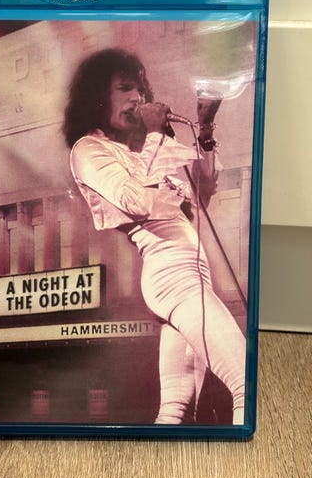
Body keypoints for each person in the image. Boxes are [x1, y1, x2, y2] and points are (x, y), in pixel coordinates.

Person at [63, 48, 246, 425]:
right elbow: (136, 201)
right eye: (124, 88)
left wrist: (205, 131)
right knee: (244, 377)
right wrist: (154, 135)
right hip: (171, 275)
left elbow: (201, 195)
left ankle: (163, 456)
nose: (137, 98)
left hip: (190, 274)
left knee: (175, 407)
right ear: (97, 96)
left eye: (141, 90)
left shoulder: (139, 153)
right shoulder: (89, 149)